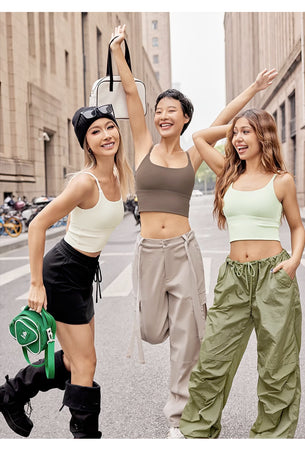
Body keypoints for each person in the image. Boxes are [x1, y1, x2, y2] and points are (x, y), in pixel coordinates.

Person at [110, 24, 278, 438]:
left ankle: (179, 419)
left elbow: (228, 118)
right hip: (149, 250)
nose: (162, 115)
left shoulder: (193, 155)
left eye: (172, 110)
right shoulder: (143, 144)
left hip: (184, 250)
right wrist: (118, 50)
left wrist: (253, 89)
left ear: (185, 119)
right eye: (159, 110)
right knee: (151, 329)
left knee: (187, 340)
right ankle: (178, 327)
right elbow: (131, 94)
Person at [0, 104, 133, 438]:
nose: (106, 135)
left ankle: (12, 393)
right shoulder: (84, 182)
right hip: (63, 273)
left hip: (82, 272)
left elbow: (80, 220)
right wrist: (35, 284)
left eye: (110, 127)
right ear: (86, 143)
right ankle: (85, 438)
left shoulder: (117, 176)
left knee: (77, 361)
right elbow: (37, 224)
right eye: (96, 131)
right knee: (86, 363)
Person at [179, 108, 305, 438]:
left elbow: (296, 227)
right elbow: (199, 137)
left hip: (273, 276)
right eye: (236, 134)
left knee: (277, 363)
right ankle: (197, 431)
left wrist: (293, 262)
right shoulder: (227, 173)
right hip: (234, 277)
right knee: (212, 359)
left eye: (246, 132)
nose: (237, 139)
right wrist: (232, 126)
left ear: (263, 136)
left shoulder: (282, 181)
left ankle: (271, 437)